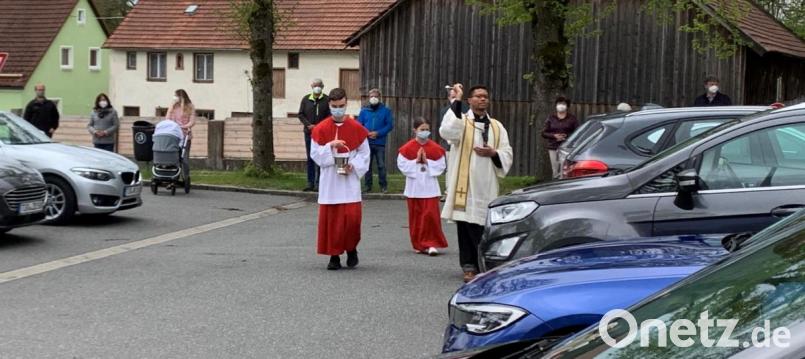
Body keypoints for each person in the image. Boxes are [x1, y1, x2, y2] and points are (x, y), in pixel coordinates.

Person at [440, 84, 513, 282]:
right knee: (465, 225)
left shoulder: (497, 126)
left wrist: (494, 153)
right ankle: (469, 266)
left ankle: (485, 264)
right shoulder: (462, 122)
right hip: (465, 185)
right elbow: (448, 132)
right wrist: (456, 100)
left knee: (483, 226)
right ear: (469, 100)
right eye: (478, 96)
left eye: (485, 96)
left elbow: (507, 152)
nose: (482, 99)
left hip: (486, 183)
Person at [310, 88, 371, 270]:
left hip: (349, 181)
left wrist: (355, 165)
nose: (338, 109)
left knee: (352, 221)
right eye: (335, 106)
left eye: (341, 106)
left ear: (346, 104)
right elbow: (315, 154)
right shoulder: (321, 129)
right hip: (330, 181)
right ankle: (334, 256)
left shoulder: (357, 128)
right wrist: (330, 145)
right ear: (329, 105)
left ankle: (351, 249)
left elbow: (364, 153)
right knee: (332, 223)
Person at [398, 117, 448, 256]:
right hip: (414, 187)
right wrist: (416, 161)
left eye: (427, 129)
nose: (425, 132)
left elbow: (441, 166)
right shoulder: (407, 148)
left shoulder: (436, 148)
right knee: (416, 217)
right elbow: (402, 165)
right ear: (415, 130)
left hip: (430, 187)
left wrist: (427, 162)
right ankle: (418, 244)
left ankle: (431, 243)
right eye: (422, 129)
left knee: (430, 215)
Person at [358, 88, 394, 193]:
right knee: (367, 165)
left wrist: (378, 133)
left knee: (381, 165)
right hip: (367, 142)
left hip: (380, 143)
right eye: (371, 96)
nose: (373, 98)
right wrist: (367, 133)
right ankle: (367, 186)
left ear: (379, 97)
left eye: (375, 96)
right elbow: (359, 125)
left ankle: (383, 186)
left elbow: (389, 125)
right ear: (369, 98)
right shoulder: (364, 111)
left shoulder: (386, 111)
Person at [298, 79, 331, 192]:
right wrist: (308, 125)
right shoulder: (306, 99)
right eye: (315, 85)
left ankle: (319, 183)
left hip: (322, 134)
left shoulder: (327, 100)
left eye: (319, 85)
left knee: (320, 157)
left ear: (322, 87)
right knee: (310, 157)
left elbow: (329, 116)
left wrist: (318, 126)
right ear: (312, 86)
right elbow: (300, 114)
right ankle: (310, 183)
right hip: (309, 133)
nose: (317, 87)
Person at [541, 96, 579, 179]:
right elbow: (543, 133)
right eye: (559, 103)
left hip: (567, 148)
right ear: (556, 105)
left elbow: (578, 132)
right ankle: (555, 183)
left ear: (567, 106)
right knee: (555, 171)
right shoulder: (551, 118)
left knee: (564, 170)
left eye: (563, 104)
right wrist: (554, 136)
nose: (561, 105)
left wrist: (566, 136)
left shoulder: (572, 119)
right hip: (553, 147)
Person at [166, 89, 196, 160]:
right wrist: (171, 106)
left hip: (185, 135)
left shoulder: (190, 106)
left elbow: (192, 121)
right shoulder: (173, 106)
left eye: (176, 96)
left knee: (184, 157)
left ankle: (184, 167)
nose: (174, 97)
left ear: (181, 96)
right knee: (174, 156)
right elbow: (167, 119)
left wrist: (182, 127)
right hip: (174, 134)